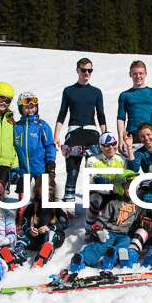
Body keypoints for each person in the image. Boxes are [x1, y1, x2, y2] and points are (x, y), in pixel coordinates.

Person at [69, 170, 145, 273]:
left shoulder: (138, 204)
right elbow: (103, 218)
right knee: (99, 246)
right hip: (110, 233)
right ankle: (82, 259)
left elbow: (142, 216)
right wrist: (97, 227)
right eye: (128, 187)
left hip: (125, 234)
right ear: (120, 188)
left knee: (124, 244)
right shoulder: (113, 203)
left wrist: (143, 220)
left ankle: (112, 257)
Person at [54, 58, 106, 206]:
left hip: (92, 133)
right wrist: (56, 135)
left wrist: (105, 135)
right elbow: (62, 113)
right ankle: (69, 205)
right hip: (74, 132)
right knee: (72, 171)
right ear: (77, 70)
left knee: (96, 170)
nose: (87, 73)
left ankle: (98, 204)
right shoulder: (69, 91)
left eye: (90, 70)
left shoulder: (96, 92)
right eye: (84, 70)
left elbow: (101, 115)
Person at [13, 91, 56, 223]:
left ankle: (43, 222)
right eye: (27, 107)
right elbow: (12, 148)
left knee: (41, 197)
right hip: (23, 169)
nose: (30, 110)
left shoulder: (41, 126)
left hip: (39, 168)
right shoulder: (16, 127)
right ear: (21, 108)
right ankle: (20, 224)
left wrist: (50, 163)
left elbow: (49, 145)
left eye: (33, 107)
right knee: (23, 199)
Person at [14, 178, 69, 269]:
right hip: (39, 237)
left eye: (50, 189)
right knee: (20, 237)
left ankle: (41, 258)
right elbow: (24, 223)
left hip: (55, 236)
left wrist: (50, 228)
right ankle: (18, 258)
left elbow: (65, 223)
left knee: (50, 235)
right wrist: (30, 231)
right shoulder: (31, 205)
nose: (47, 192)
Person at [117, 60, 152, 154]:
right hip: (132, 136)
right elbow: (120, 118)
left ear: (145, 74)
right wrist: (121, 139)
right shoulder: (125, 95)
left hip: (150, 135)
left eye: (140, 73)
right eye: (135, 74)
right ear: (130, 74)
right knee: (132, 166)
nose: (138, 76)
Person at [84, 132, 126, 233]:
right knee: (94, 200)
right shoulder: (92, 161)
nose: (111, 147)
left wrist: (114, 186)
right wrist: (109, 187)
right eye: (107, 145)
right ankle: (88, 230)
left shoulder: (123, 160)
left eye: (113, 144)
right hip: (100, 193)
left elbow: (126, 180)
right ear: (101, 147)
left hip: (117, 193)